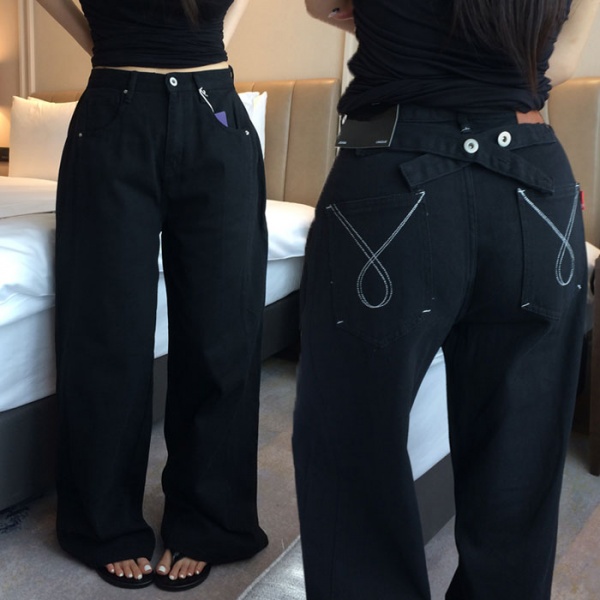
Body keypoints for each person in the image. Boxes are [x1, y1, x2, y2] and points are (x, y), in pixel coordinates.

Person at [293, 0, 600, 599]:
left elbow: (318, 3)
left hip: (391, 176)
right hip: (533, 182)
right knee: (521, 453)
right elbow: (559, 63)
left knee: (352, 443)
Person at [35, 0, 268, 591]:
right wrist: (101, 43)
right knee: (106, 334)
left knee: (222, 334)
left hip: (215, 109)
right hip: (114, 112)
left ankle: (209, 520)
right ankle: (102, 522)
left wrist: (210, 40)